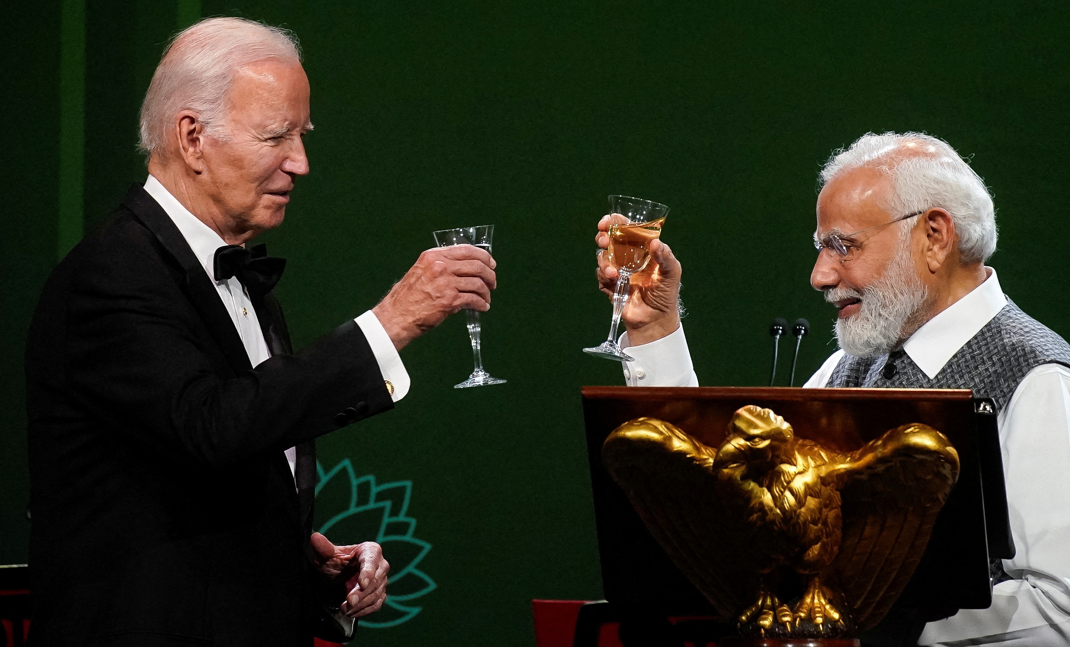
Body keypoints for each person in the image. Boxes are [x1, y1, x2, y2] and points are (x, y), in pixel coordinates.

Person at [25, 17, 496, 647]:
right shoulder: (114, 273)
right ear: (192, 138)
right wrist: (391, 322)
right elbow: (212, 426)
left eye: (301, 135)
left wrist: (313, 577)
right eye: (276, 136)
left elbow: (211, 484)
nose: (300, 163)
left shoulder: (243, 281)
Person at [595, 132, 1070, 645]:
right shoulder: (851, 365)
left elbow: (1058, 607)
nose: (821, 275)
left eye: (844, 246)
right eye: (822, 248)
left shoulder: (1040, 380)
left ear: (934, 236)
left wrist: (868, 630)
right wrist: (652, 326)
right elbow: (730, 507)